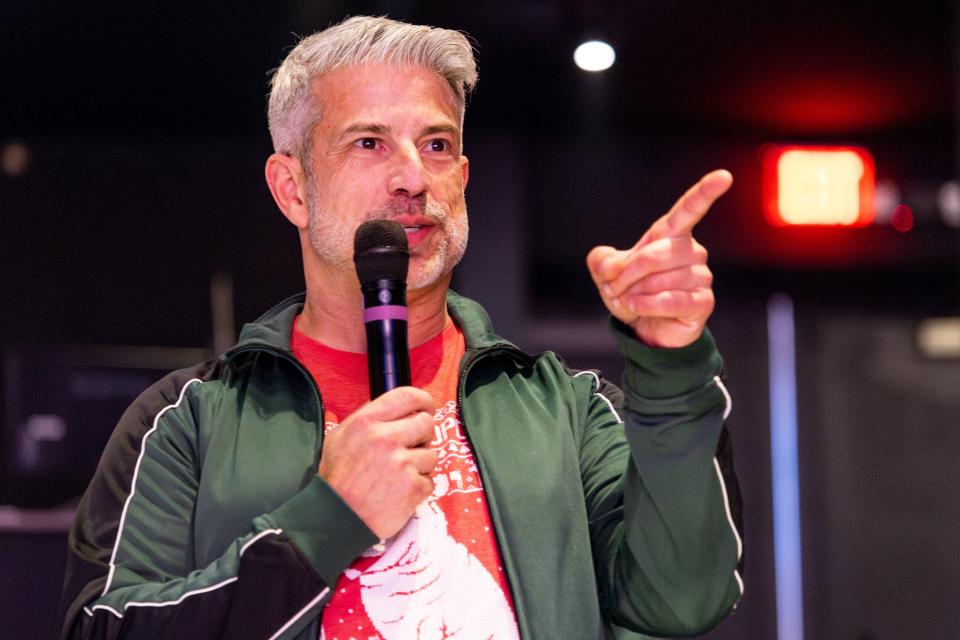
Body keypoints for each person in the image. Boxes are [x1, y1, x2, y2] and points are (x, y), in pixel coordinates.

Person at [60, 16, 744, 640]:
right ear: (292, 188)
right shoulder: (187, 423)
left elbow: (684, 600)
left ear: (464, 176)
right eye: (369, 142)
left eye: (437, 144)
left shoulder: (568, 414)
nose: (414, 177)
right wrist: (327, 520)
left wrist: (672, 361)